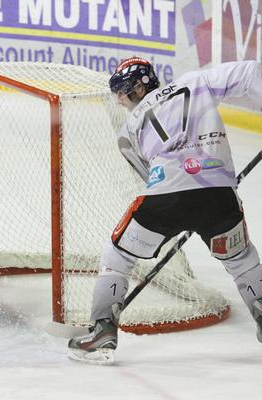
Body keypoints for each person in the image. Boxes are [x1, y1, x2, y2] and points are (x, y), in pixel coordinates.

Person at [67, 57, 262, 364]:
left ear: (139, 86)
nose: (120, 100)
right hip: (218, 195)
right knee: (242, 260)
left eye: (123, 91)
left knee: (118, 256)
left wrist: (183, 206)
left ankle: (102, 329)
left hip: (166, 197)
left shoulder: (127, 131)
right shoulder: (197, 81)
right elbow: (250, 72)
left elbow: (150, 178)